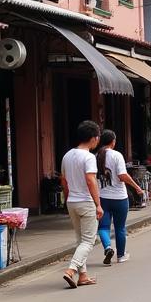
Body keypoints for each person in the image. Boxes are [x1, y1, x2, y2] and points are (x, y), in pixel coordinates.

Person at [61, 120, 103, 289]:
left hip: (72, 202)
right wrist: (98, 204)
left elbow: (63, 181)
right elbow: (91, 180)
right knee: (88, 241)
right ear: (93, 138)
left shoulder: (67, 156)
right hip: (86, 202)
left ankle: (83, 276)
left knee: (80, 240)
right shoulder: (89, 157)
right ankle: (71, 270)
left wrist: (67, 198)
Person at [96, 129, 144, 265]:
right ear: (113, 141)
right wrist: (137, 187)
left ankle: (108, 247)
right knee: (120, 227)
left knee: (103, 227)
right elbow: (122, 175)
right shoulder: (117, 155)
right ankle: (121, 255)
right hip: (120, 198)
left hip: (102, 198)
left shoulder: (96, 156)